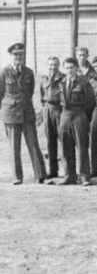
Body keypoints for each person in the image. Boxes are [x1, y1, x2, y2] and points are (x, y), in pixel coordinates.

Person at [1, 43, 47, 184]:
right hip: (11, 113)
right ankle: (17, 177)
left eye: (20, 55)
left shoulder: (29, 72)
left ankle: (40, 175)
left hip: (27, 113)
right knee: (14, 147)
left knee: (33, 144)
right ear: (11, 56)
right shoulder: (4, 72)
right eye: (15, 55)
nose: (18, 57)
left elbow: (30, 91)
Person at [57, 58, 96, 186]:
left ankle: (85, 176)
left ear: (76, 68)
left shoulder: (83, 82)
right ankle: (69, 176)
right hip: (65, 114)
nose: (69, 70)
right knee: (66, 147)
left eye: (72, 68)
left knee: (82, 146)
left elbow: (91, 102)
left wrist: (85, 117)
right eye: (67, 68)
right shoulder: (61, 82)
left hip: (79, 114)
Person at [40, 56, 64, 178]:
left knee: (64, 140)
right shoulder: (44, 79)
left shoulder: (63, 78)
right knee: (50, 141)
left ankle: (69, 171)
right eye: (50, 64)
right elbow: (41, 96)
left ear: (58, 65)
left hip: (59, 110)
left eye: (55, 64)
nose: (52, 67)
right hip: (47, 110)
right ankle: (53, 170)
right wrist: (45, 108)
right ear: (47, 65)